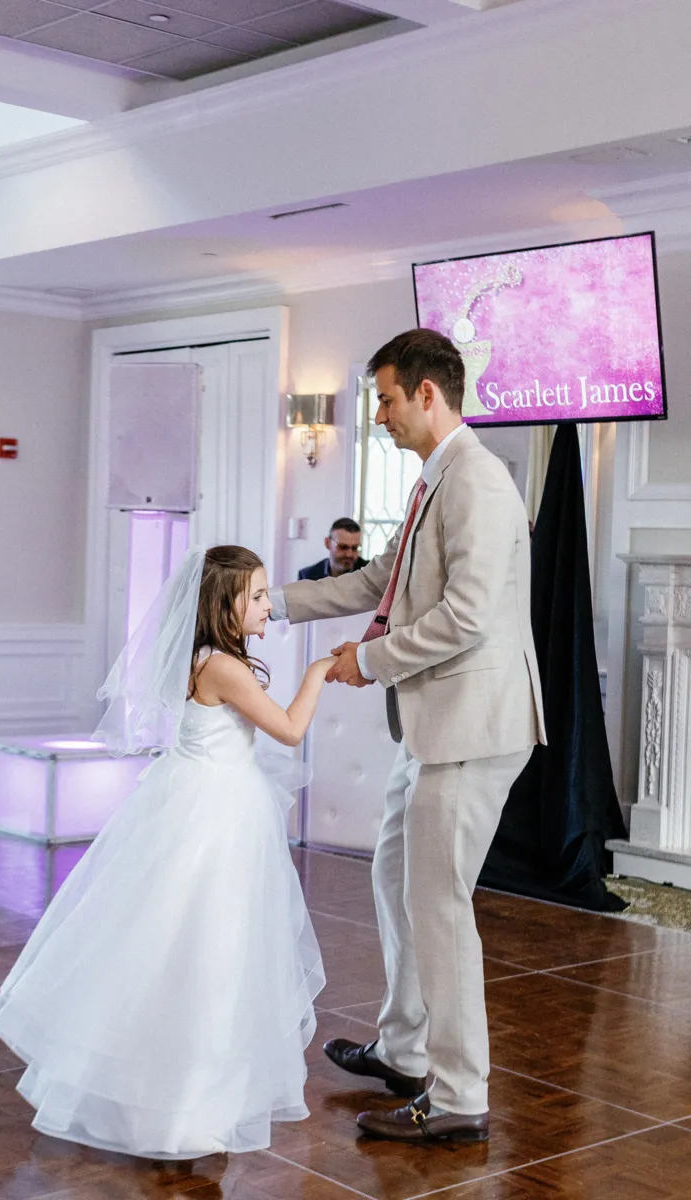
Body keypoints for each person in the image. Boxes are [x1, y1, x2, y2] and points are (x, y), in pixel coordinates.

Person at [269, 329, 545, 1146]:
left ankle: (459, 1096)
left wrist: (367, 661)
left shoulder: (480, 484)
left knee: (440, 904)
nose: (379, 415)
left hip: (473, 725)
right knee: (396, 879)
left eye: (385, 399)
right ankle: (403, 1048)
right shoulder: (433, 481)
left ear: (429, 394)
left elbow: (466, 617)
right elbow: (373, 580)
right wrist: (270, 602)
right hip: (430, 722)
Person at [0, 545, 333, 1160]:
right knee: (208, 955)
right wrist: (316, 676)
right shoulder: (224, 667)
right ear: (222, 604)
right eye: (254, 596)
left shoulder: (206, 658)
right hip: (215, 819)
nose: (265, 604)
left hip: (203, 804)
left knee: (191, 952)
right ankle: (180, 1113)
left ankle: (176, 1105)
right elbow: (290, 730)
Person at [298, 517, 368, 580]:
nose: (349, 554)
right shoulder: (307, 576)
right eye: (343, 547)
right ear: (327, 543)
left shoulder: (369, 573)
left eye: (354, 548)